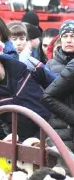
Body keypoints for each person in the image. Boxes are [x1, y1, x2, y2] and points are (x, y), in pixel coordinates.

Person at [41, 21, 74, 152]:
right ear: (60, 39)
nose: (69, 40)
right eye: (65, 36)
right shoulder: (50, 65)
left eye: (72, 36)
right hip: (59, 128)